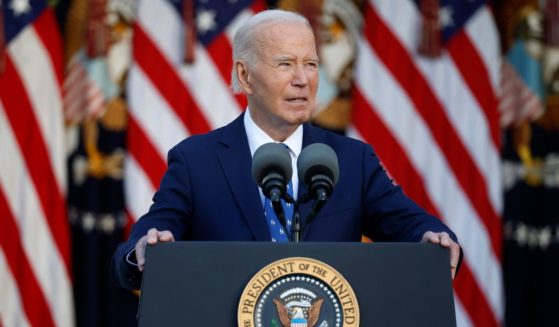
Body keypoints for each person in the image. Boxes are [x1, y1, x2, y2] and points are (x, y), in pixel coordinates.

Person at [111, 9, 461, 290]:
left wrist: (434, 239)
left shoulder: (353, 161)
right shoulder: (196, 161)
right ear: (245, 76)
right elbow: (143, 242)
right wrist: (143, 251)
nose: (302, 79)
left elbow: (414, 226)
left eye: (310, 64)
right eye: (285, 64)